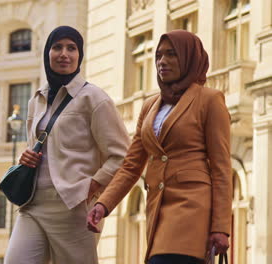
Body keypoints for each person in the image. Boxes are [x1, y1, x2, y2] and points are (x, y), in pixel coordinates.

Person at [87, 30, 232, 264]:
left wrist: (221, 227)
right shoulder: (149, 106)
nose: (162, 61)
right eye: (158, 55)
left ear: (188, 58)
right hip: (157, 210)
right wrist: (103, 204)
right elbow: (131, 166)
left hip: (192, 210)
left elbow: (221, 168)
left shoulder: (210, 100)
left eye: (171, 54)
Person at [4, 25, 130, 264]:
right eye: (57, 47)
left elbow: (122, 155)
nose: (64, 54)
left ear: (79, 55)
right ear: (47, 53)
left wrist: (93, 186)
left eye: (71, 48)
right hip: (33, 204)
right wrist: (26, 158)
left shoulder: (94, 98)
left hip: (73, 207)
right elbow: (38, 147)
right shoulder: (36, 99)